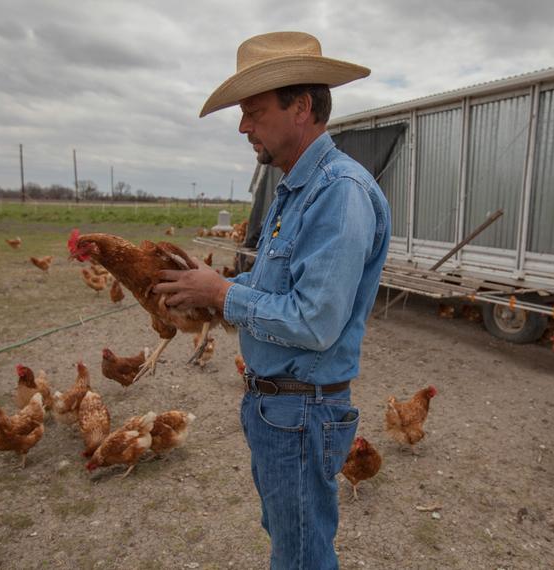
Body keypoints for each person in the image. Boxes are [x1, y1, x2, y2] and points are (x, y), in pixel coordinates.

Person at [155, 31, 391, 569]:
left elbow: (315, 322)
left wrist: (221, 294)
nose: (243, 126)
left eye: (254, 111)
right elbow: (277, 295)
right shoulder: (294, 190)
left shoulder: (338, 192)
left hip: (301, 410)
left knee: (302, 555)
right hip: (280, 407)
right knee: (293, 545)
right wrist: (214, 292)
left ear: (302, 107)